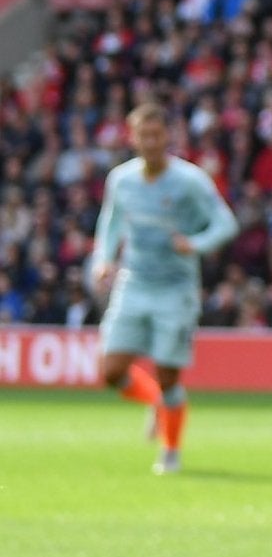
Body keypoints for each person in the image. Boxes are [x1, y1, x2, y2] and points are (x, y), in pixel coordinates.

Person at [90, 103, 238, 474]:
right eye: (144, 135)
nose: (151, 142)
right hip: (133, 282)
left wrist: (196, 243)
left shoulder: (190, 180)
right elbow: (111, 223)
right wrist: (103, 260)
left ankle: (170, 451)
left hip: (176, 289)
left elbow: (226, 224)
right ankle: (157, 403)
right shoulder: (121, 180)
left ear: (167, 137)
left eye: (157, 135)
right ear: (132, 137)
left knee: (169, 373)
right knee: (111, 371)